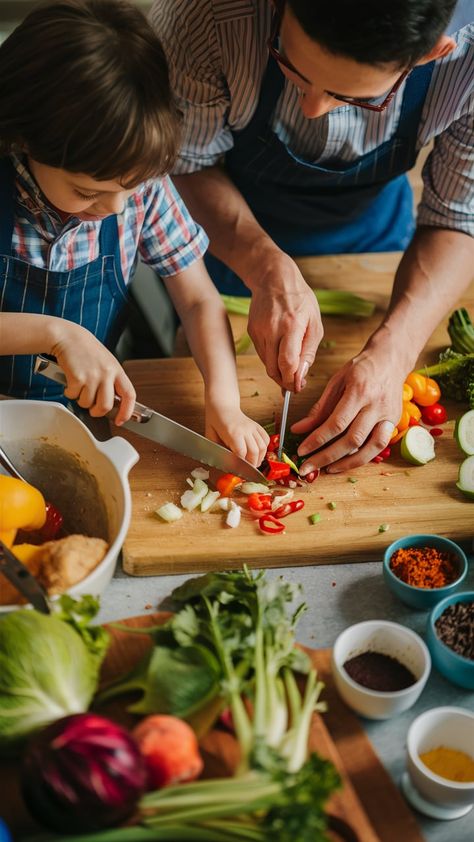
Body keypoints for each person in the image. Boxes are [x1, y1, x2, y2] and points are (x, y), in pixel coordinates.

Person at [150, 0, 474, 474]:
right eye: (290, 67)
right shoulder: (203, 17)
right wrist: (265, 267)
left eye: (356, 97)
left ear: (431, 55)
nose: (313, 108)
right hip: (223, 235)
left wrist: (394, 352)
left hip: (375, 245)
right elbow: (183, 165)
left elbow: (457, 217)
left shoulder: (468, 59)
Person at [0, 0, 269, 467]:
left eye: (130, 187)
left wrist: (224, 400)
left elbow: (200, 301)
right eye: (88, 192)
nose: (116, 208)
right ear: (23, 139)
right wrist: (58, 334)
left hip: (80, 417)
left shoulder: (138, 188)